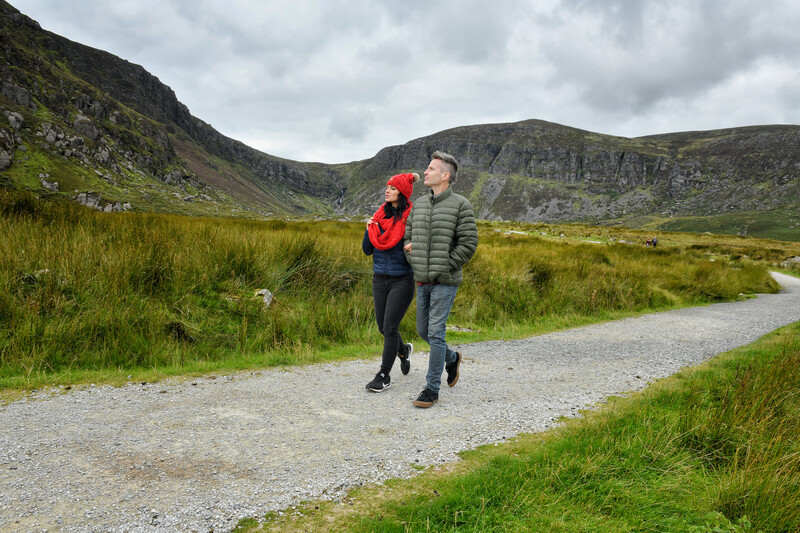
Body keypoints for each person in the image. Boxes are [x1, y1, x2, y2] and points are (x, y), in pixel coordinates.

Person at [403, 151, 478, 408]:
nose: (425, 172)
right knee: (423, 331)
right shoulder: (420, 205)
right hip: (422, 279)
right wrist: (412, 256)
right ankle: (452, 358)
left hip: (445, 280)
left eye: (431, 169)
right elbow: (408, 235)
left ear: (445, 175)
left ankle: (431, 389)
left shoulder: (461, 204)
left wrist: (445, 265)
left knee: (435, 332)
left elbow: (468, 243)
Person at [362, 172, 419, 392]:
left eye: (393, 188)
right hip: (379, 279)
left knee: (390, 327)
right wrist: (368, 230)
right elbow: (367, 250)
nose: (387, 191)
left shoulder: (410, 218)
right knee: (382, 327)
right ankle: (403, 351)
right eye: (387, 187)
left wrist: (416, 244)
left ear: (402, 192)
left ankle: (383, 376)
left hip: (402, 280)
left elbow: (421, 243)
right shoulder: (378, 217)